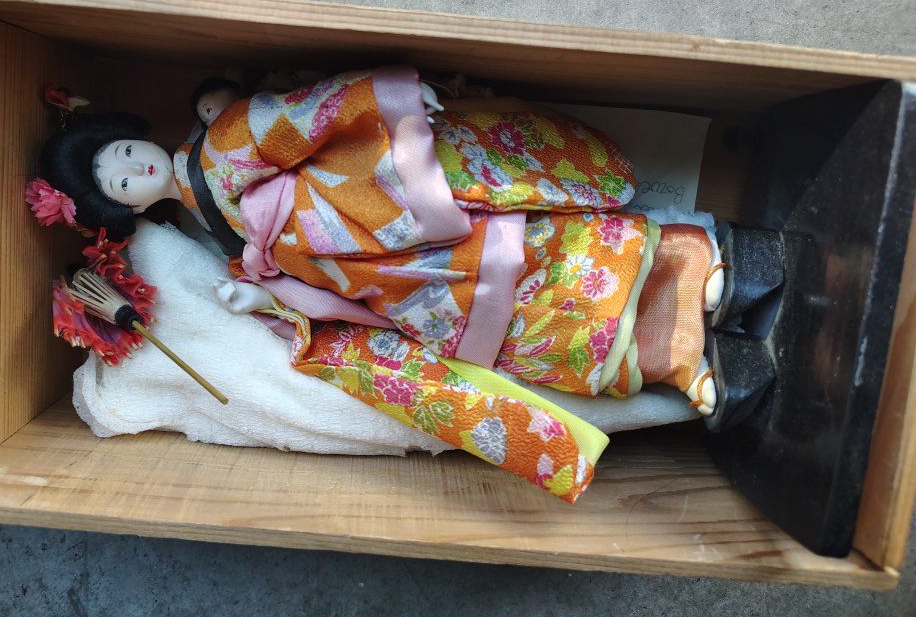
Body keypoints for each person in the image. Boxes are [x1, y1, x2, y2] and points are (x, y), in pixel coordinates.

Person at [35, 67, 721, 423]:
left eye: (123, 152)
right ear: (129, 208)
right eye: (122, 182)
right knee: (500, 321)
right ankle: (673, 357)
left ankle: (688, 262)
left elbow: (300, 118)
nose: (135, 167)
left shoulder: (226, 140)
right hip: (372, 270)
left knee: (532, 242)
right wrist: (258, 293)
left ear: (133, 134)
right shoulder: (210, 232)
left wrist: (385, 102)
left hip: (377, 200)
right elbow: (268, 271)